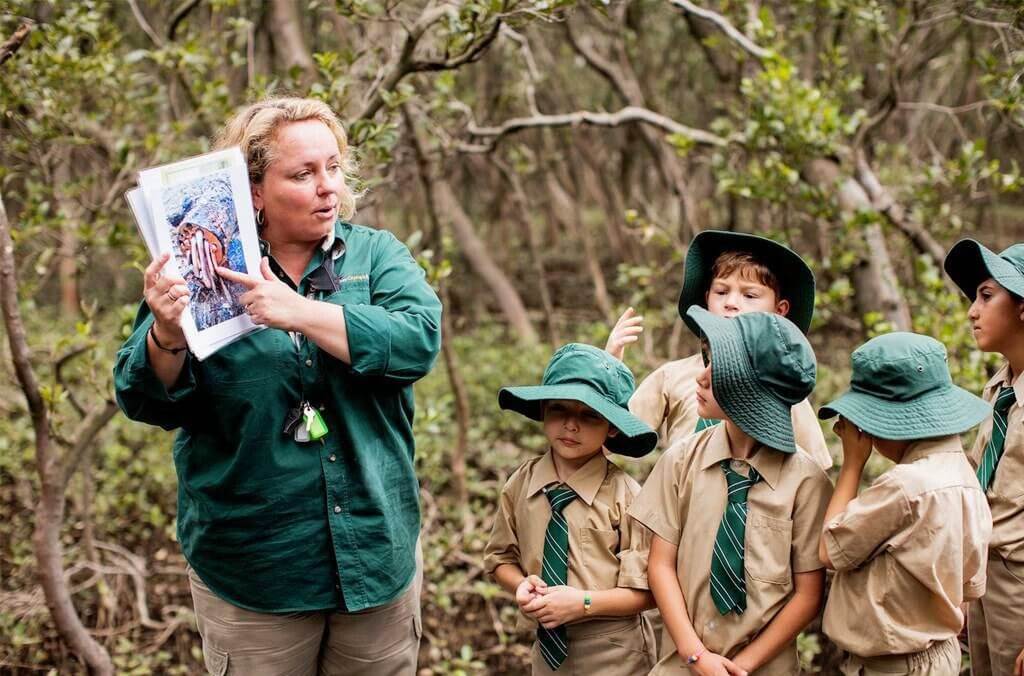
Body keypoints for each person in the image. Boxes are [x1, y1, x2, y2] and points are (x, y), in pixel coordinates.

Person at [114, 97, 442, 675]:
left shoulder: (376, 255)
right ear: (254, 191)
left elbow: (417, 342)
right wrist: (167, 330)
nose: (328, 188)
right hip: (255, 568)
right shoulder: (203, 265)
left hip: (375, 553)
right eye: (303, 174)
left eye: (334, 168)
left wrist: (300, 313)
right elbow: (143, 397)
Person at [630, 306, 833, 675]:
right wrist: (696, 655)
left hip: (766, 666)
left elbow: (808, 594)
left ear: (752, 391)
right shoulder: (680, 461)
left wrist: (742, 666)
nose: (701, 377)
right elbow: (660, 565)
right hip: (681, 662)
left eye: (719, 368)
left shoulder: (806, 481)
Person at [817, 332, 992, 675]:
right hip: (940, 657)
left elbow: (829, 550)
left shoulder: (906, 486)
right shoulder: (968, 480)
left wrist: (853, 463)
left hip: (894, 666)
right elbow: (968, 588)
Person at [484, 343, 659, 674]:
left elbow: (648, 592)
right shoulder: (520, 484)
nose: (570, 425)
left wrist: (584, 603)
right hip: (547, 651)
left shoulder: (628, 497)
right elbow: (500, 559)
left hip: (616, 653)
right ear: (543, 410)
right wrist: (519, 585)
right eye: (559, 409)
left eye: (589, 415)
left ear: (613, 426)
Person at [607, 229, 832, 470]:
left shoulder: (781, 388)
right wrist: (609, 368)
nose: (731, 303)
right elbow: (612, 433)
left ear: (779, 311)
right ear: (706, 300)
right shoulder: (672, 377)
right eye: (721, 292)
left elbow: (815, 469)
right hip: (677, 499)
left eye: (750, 295)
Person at [944, 239, 1024, 676]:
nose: (973, 311)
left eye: (987, 295)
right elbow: (981, 484)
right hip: (985, 577)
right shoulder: (999, 389)